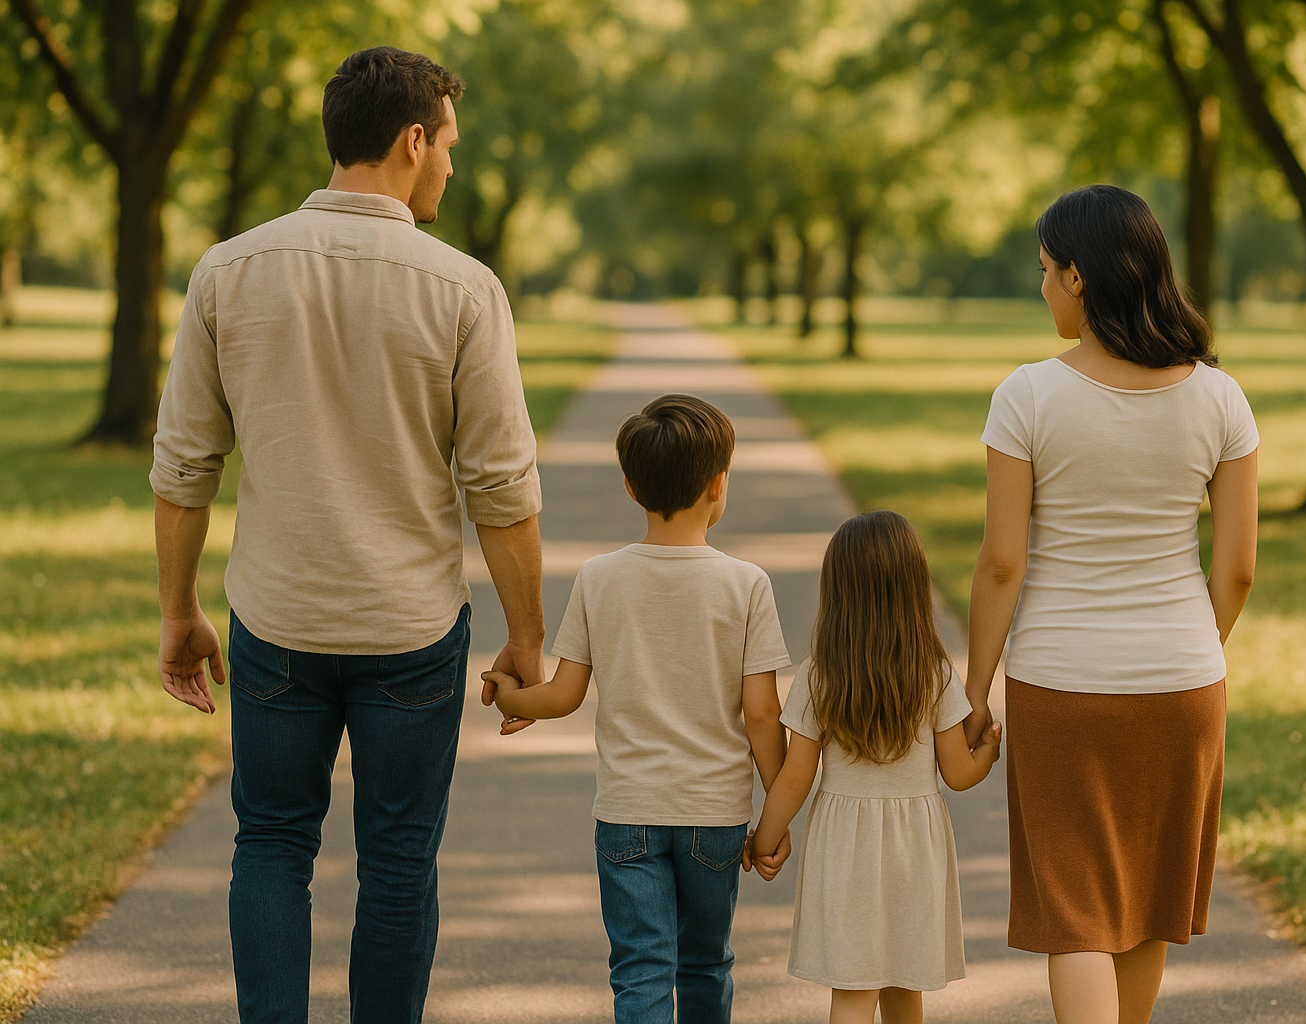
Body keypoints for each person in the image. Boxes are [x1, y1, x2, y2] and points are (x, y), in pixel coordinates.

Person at [151, 47, 545, 1024]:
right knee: (401, 860)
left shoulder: (228, 271)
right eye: (450, 145)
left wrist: (179, 612)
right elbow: (501, 487)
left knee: (272, 844)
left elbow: (183, 466)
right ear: (414, 141)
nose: (452, 165)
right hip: (410, 632)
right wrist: (528, 637)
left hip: (277, 621)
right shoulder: (462, 289)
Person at [963, 184, 1259, 1024]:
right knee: (1148, 905)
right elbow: (1235, 571)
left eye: (1048, 270)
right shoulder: (1220, 398)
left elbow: (999, 565)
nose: (1043, 286)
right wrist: (1190, 647)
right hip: (1184, 685)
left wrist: (975, 691)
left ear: (1081, 280)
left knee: (1078, 914)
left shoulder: (1026, 396)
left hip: (1063, 685)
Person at [482, 393, 793, 1024]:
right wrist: (774, 812)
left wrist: (512, 695)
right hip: (715, 817)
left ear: (629, 487)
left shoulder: (600, 578)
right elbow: (761, 714)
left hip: (628, 816)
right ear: (718, 485)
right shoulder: (746, 585)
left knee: (641, 968)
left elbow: (565, 694)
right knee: (705, 962)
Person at [749, 510, 1003, 1024]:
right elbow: (957, 774)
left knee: (854, 988)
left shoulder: (821, 674)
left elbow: (797, 775)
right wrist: (987, 754)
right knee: (905, 985)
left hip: (845, 847)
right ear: (914, 587)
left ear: (837, 591)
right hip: (916, 847)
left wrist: (764, 838)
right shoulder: (932, 673)